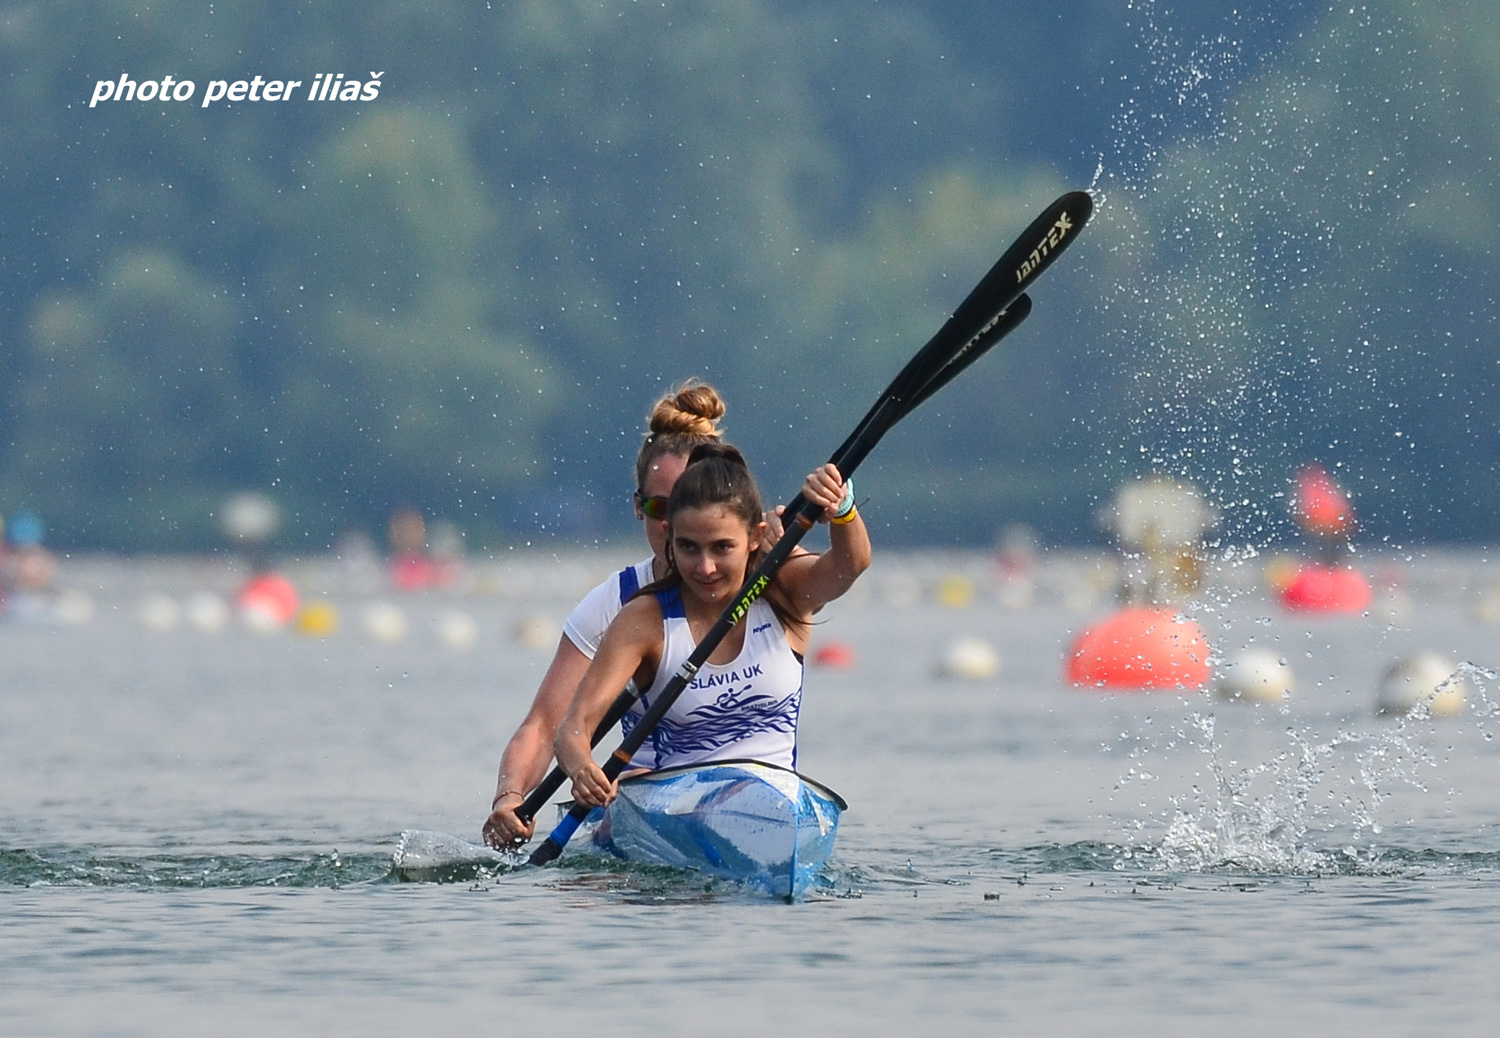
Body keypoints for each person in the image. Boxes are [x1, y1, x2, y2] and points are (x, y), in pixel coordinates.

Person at [481, 379, 731, 848]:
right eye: (662, 507)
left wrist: (840, 510)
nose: (677, 524)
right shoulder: (613, 604)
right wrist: (510, 798)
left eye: (690, 506)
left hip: (745, 790)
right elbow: (543, 725)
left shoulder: (767, 575)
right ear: (639, 508)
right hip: (654, 802)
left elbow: (843, 570)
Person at [555, 442, 870, 811]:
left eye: (722, 548)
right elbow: (572, 729)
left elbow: (851, 564)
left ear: (755, 536)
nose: (705, 567)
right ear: (670, 538)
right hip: (673, 809)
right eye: (689, 548)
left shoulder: (783, 592)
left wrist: (842, 508)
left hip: (775, 800)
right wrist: (582, 769)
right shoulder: (644, 619)